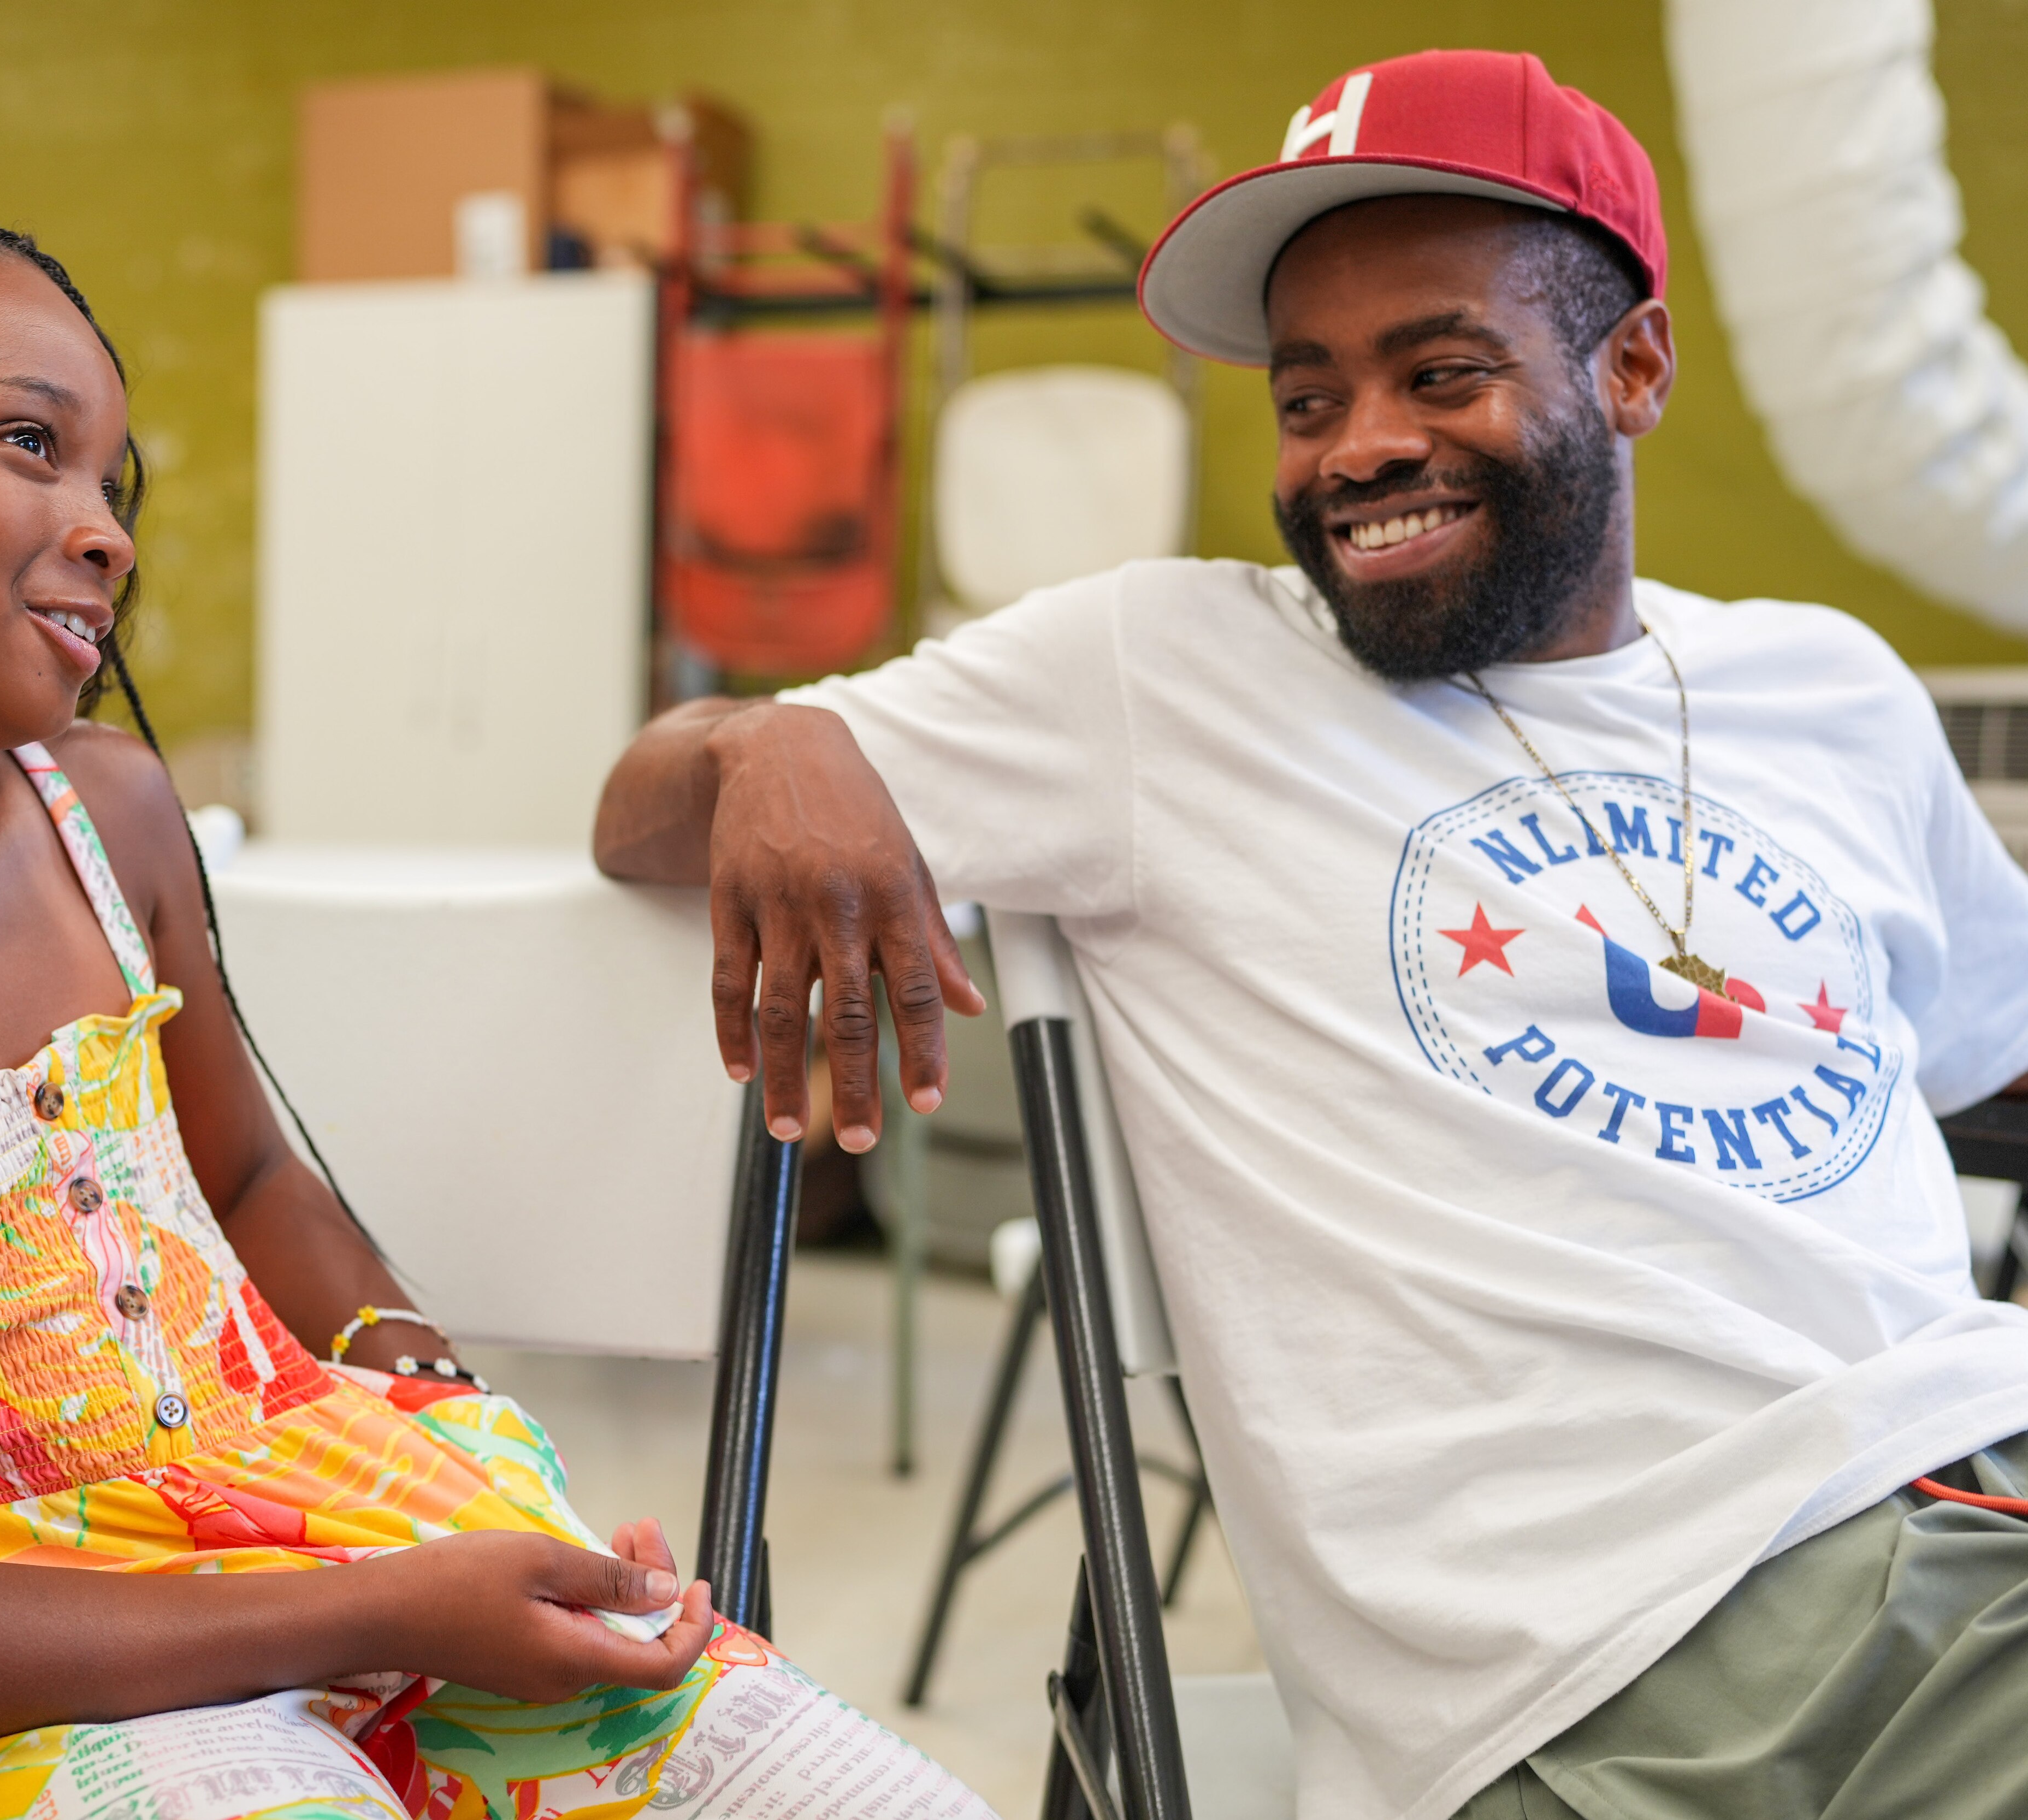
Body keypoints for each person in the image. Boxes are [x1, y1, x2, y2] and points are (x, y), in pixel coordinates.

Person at [0, 208, 992, 1820]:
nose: (106, 531)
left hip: (305, 1534)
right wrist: (381, 1608)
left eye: (112, 485)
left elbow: (253, 1184)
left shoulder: (104, 816)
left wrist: (450, 1444)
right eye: (29, 444)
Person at [597, 49, 2028, 1820]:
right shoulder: (1162, 673)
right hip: (1603, 1670)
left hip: (1973, 1506)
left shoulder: (1832, 691)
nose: (1361, 451)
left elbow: (1994, 1049)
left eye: (1441, 371)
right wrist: (780, 739)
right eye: (1305, 399)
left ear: (1633, 368)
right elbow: (634, 806)